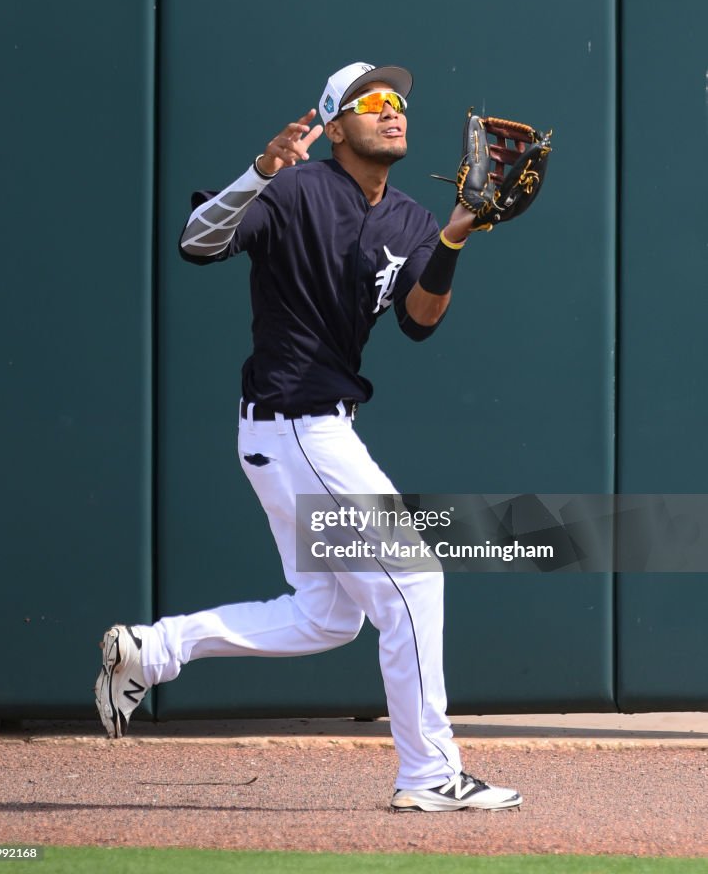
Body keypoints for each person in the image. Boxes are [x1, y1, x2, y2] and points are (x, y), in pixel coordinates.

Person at [94, 62, 521, 813]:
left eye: (399, 103)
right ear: (333, 125)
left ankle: (154, 649)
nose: (394, 111)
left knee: (326, 617)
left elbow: (420, 322)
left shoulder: (414, 218)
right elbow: (197, 243)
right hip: (297, 424)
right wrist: (258, 171)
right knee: (415, 578)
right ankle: (428, 774)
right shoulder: (294, 191)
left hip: (301, 433)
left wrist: (455, 234)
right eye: (373, 102)